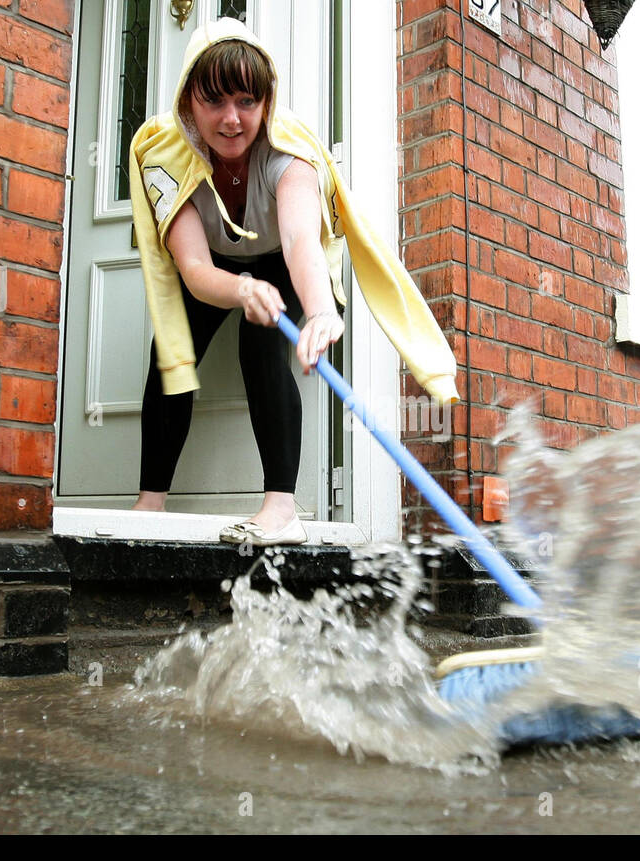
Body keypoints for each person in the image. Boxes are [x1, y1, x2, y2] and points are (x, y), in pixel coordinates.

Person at [128, 18, 459, 547]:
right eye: (214, 101)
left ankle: (281, 509)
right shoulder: (168, 158)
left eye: (245, 101)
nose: (232, 119)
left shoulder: (289, 154)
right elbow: (192, 270)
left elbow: (302, 241)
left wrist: (321, 311)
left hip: (280, 258)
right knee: (170, 348)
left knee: (262, 345)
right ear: (189, 101)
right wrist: (239, 289)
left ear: (266, 102)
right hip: (214, 267)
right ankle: (150, 502)